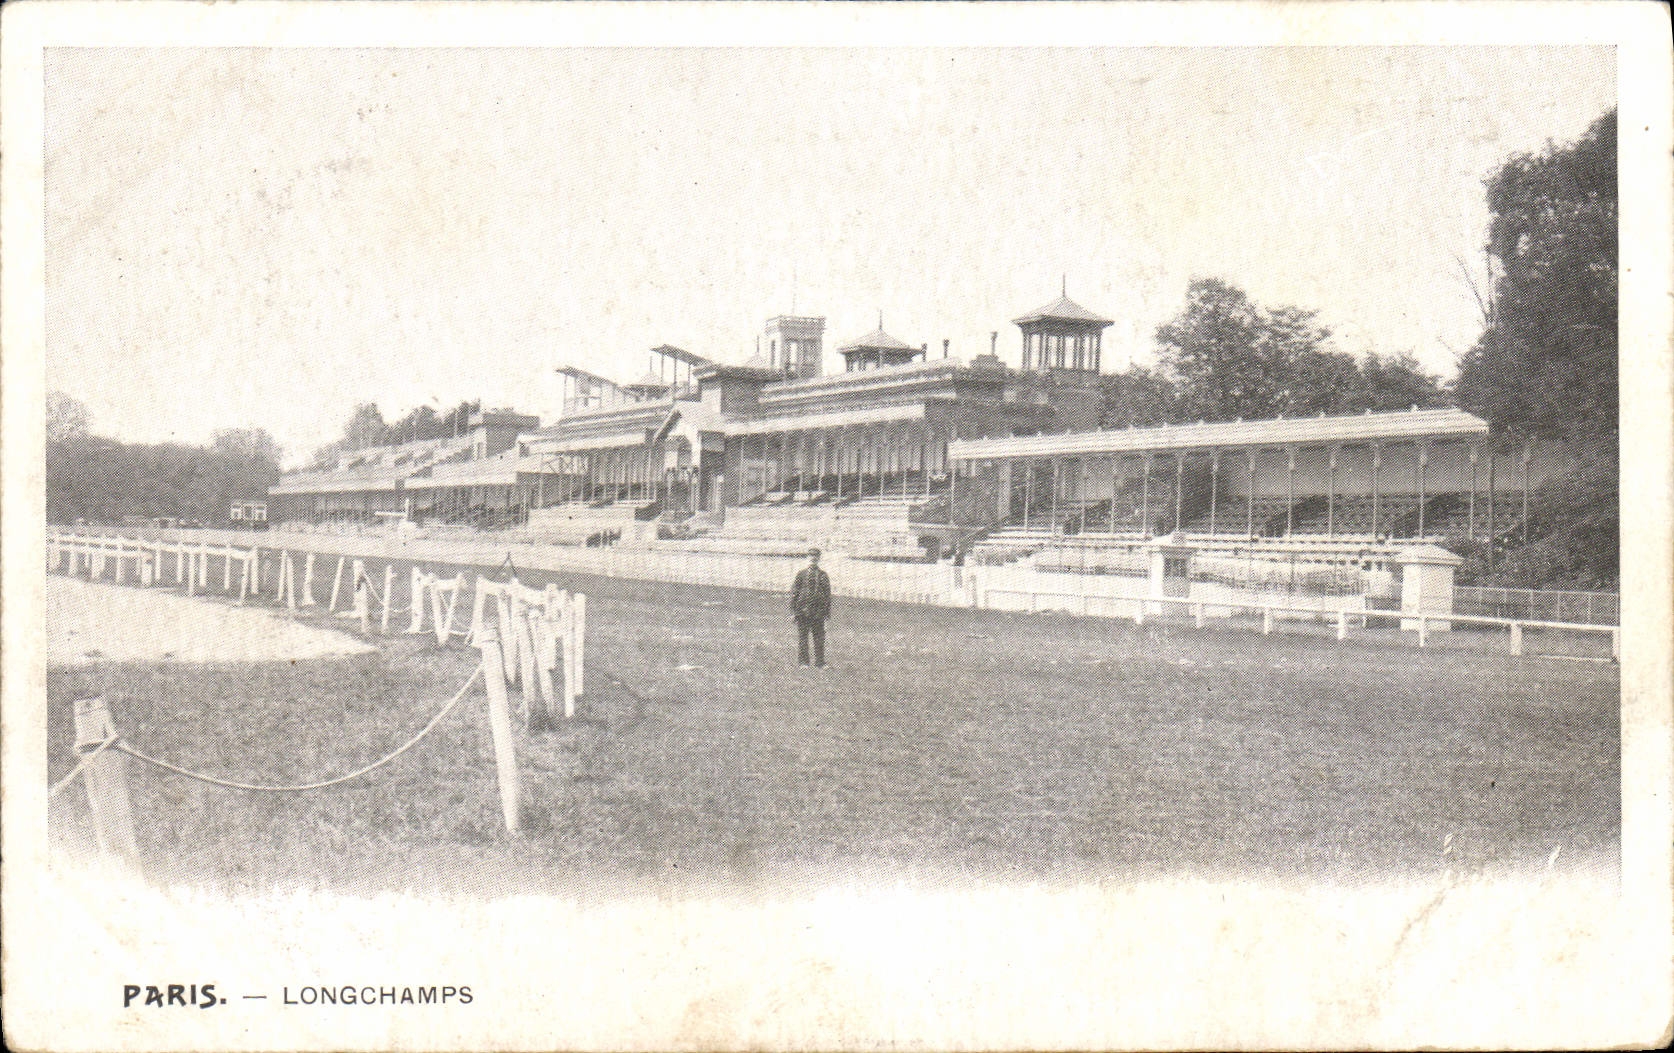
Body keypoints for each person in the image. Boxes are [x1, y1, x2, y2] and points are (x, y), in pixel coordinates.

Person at [790, 547, 831, 667]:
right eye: (811, 556)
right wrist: (793, 612)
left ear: (819, 559)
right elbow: (794, 593)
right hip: (802, 611)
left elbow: (827, 595)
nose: (813, 559)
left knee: (819, 638)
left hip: (818, 612)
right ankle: (803, 663)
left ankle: (820, 663)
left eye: (816, 557)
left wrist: (827, 613)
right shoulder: (801, 574)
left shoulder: (823, 575)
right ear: (807, 558)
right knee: (803, 638)